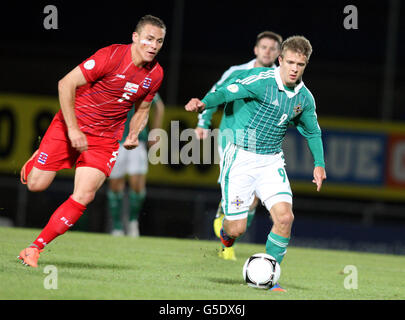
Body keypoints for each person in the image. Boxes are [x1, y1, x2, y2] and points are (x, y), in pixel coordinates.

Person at [17, 15, 166, 268]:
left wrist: (133, 133)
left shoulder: (155, 73)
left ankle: (34, 248)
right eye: (149, 39)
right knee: (36, 185)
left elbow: (144, 107)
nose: (154, 45)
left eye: (159, 41)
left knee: (84, 195)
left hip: (106, 139)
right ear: (135, 37)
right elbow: (65, 83)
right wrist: (74, 129)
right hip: (69, 126)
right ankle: (40, 153)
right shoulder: (110, 56)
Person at [185, 35, 327, 291]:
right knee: (236, 228)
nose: (295, 69)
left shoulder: (305, 98)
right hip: (240, 157)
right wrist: (203, 104)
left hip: (271, 161)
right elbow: (227, 92)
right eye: (291, 62)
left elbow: (313, 131)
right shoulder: (261, 82)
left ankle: (272, 279)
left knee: (285, 218)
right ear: (280, 60)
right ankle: (226, 235)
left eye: (301, 64)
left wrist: (319, 163)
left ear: (306, 65)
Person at [195, 31, 283, 261]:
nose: (267, 51)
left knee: (252, 200)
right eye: (263, 47)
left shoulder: (280, 78)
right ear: (255, 49)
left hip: (261, 145)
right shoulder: (237, 72)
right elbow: (216, 94)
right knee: (239, 195)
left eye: (272, 48)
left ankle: (228, 234)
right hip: (231, 139)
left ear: (279, 53)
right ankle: (227, 242)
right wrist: (203, 122)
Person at [107, 93, 165, 237]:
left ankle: (133, 221)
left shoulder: (142, 80)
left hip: (137, 141)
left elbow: (158, 105)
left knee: (137, 186)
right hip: (115, 141)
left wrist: (156, 130)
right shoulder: (114, 79)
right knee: (115, 185)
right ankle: (117, 226)